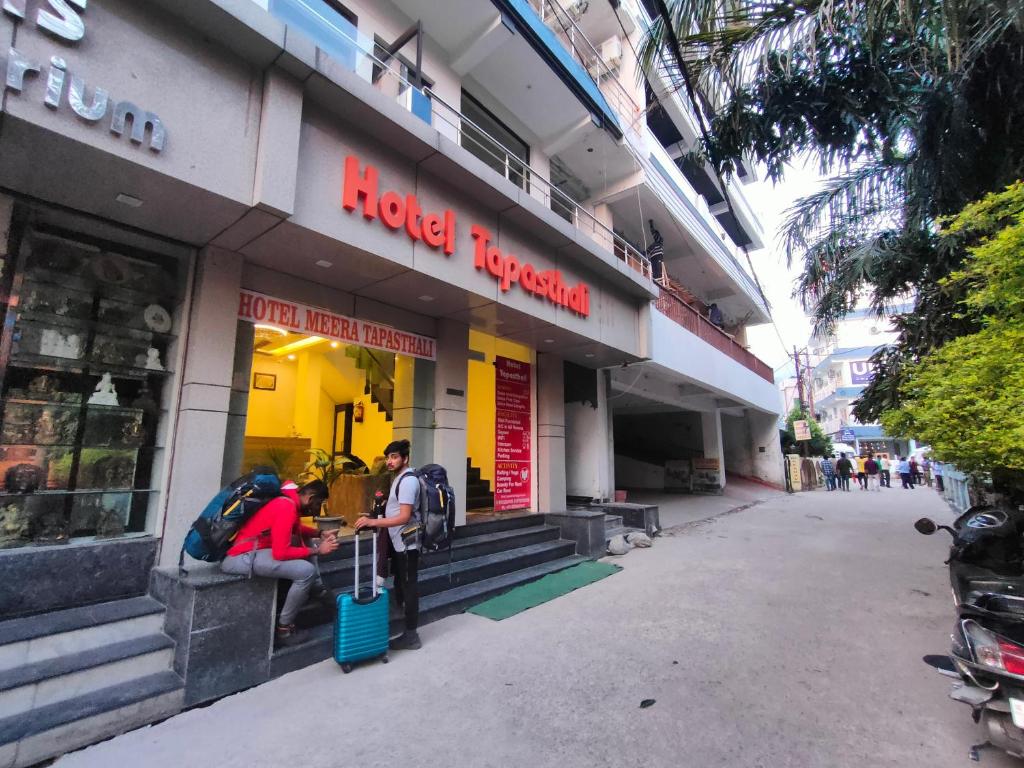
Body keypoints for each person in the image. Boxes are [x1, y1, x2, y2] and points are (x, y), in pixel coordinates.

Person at [221, 479, 338, 647]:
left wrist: (320, 533)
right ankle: (284, 629)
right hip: (241, 557)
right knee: (306, 571)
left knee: (304, 539)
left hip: (254, 551)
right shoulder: (286, 506)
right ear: (311, 497)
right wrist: (318, 550)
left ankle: (317, 587)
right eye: (318, 503)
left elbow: (297, 529)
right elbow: (281, 553)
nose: (316, 509)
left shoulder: (287, 500)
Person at [355, 439, 422, 651]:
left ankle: (412, 635)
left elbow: (404, 516)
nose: (389, 461)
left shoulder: (408, 481)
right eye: (388, 457)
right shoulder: (398, 479)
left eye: (394, 457)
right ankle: (401, 621)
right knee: (401, 583)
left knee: (409, 586)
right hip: (398, 542)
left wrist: (374, 522)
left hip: (408, 544)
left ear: (405, 458)